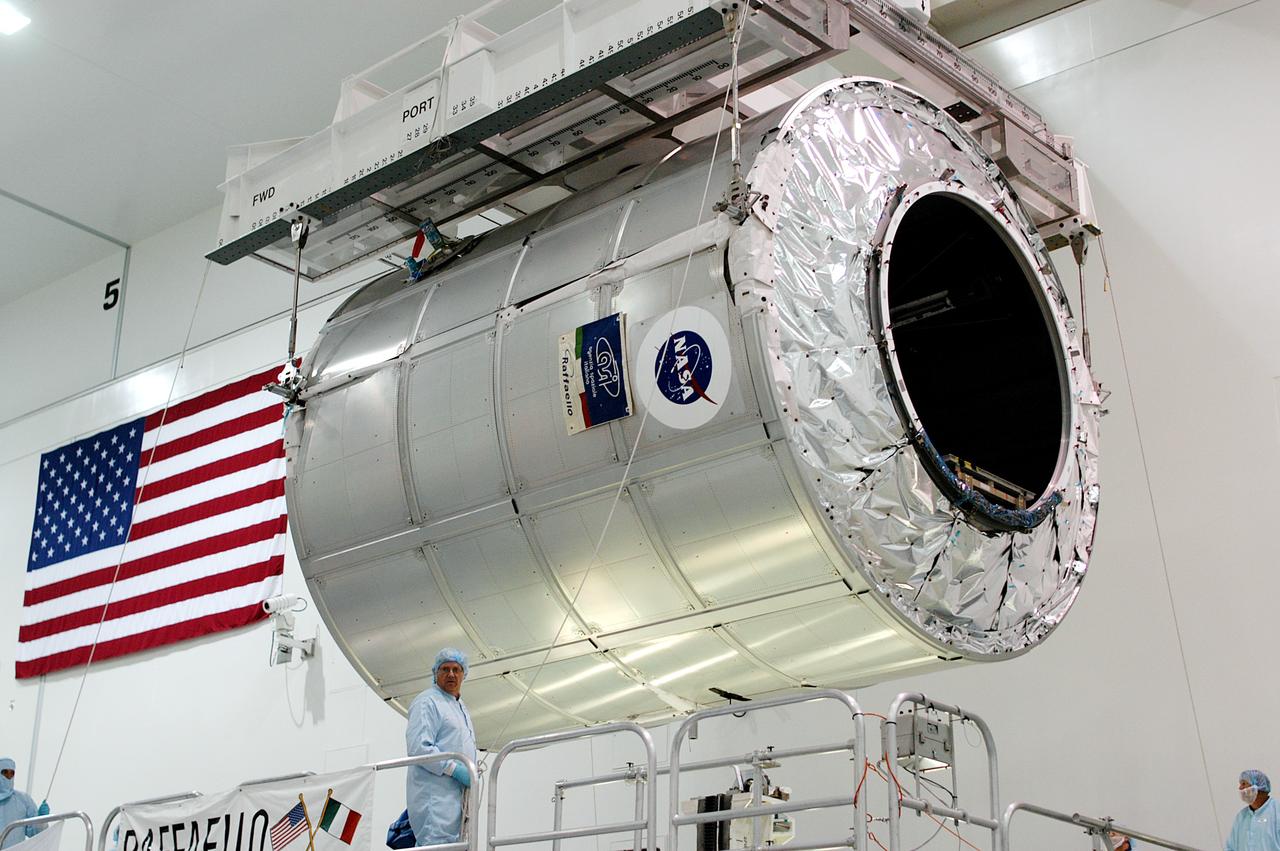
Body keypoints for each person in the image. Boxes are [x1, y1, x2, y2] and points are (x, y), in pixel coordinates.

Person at [406, 648, 477, 848]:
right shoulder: (427, 702)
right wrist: (454, 769)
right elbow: (419, 748)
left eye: (456, 669)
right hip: (436, 799)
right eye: (445, 669)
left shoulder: (459, 705)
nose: (451, 674)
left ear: (464, 674)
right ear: (435, 673)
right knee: (435, 843)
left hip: (457, 801)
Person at [0, 757, 49, 850]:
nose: (9, 776)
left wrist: (42, 820)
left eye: (12, 773)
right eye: (5, 772)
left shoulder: (23, 800)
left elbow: (35, 832)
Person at [1227, 769, 1280, 851]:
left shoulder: (1277, 812)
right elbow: (1230, 847)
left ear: (1258, 786)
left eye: (1244, 784)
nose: (1240, 788)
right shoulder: (1241, 817)